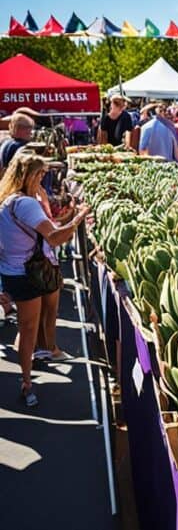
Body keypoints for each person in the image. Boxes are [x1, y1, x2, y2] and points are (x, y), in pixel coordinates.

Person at [0, 153, 89, 407]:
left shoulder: (7, 201)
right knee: (29, 330)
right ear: (28, 175)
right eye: (39, 174)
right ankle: (26, 383)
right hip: (27, 274)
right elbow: (55, 237)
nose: (42, 179)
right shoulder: (26, 203)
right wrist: (78, 218)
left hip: (11, 272)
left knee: (26, 327)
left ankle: (29, 369)